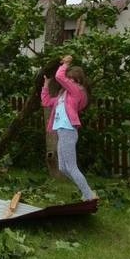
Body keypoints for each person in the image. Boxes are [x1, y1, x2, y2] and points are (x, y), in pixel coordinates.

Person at [41, 55, 97, 201]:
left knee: (71, 166)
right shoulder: (63, 97)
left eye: (72, 79)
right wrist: (46, 85)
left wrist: (65, 63)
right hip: (61, 131)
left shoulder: (77, 91)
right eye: (69, 79)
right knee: (63, 168)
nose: (69, 82)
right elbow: (46, 102)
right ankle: (86, 191)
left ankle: (89, 195)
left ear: (78, 81)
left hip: (68, 131)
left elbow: (60, 76)